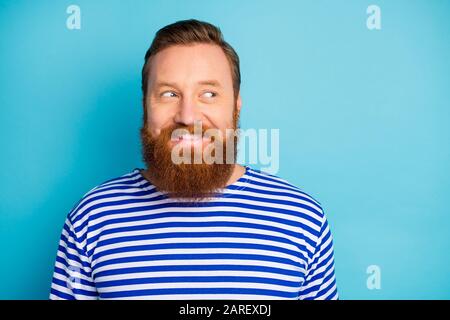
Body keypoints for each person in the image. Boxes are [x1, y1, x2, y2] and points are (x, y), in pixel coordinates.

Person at [50, 19, 338, 300]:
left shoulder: (302, 219)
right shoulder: (92, 218)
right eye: (169, 93)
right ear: (145, 106)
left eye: (209, 94)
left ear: (236, 106)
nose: (187, 116)